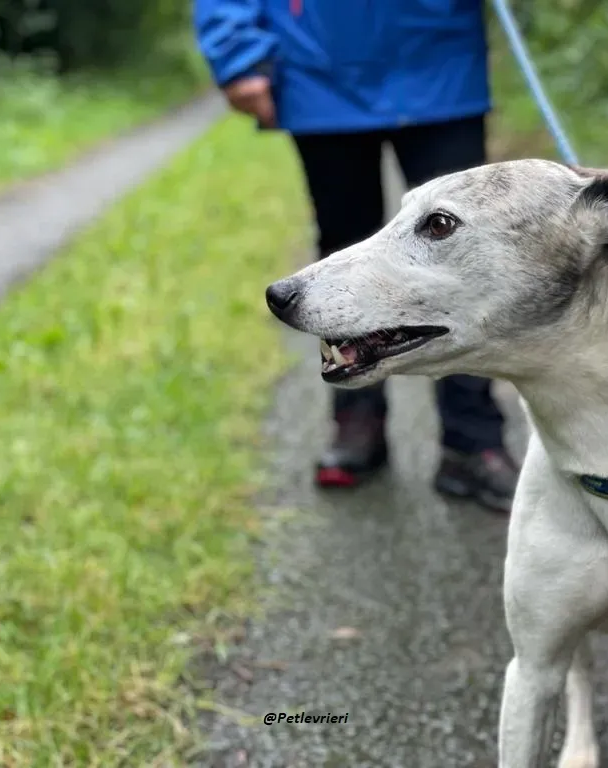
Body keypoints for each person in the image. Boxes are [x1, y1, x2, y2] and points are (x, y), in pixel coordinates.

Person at [194, 0, 519, 513]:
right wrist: (236, 51)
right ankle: (357, 416)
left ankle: (472, 438)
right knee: (342, 249)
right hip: (317, 64)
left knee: (460, 257)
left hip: (438, 57)